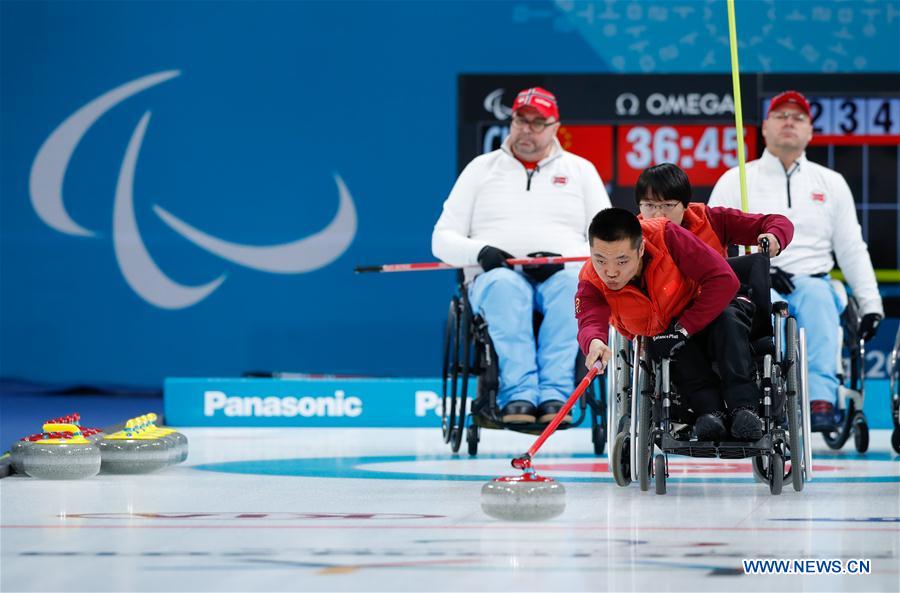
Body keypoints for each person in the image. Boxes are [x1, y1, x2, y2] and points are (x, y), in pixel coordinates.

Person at [432, 87, 612, 424]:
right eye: (520, 120)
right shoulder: (481, 169)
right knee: (504, 286)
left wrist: (563, 258)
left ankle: (557, 395)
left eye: (537, 123)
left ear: (555, 126)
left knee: (572, 287)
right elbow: (440, 240)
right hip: (495, 276)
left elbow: (609, 238)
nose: (526, 129)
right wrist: (480, 251)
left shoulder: (581, 170)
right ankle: (518, 394)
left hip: (562, 275)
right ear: (511, 121)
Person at [708, 90, 884, 432]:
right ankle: (765, 397)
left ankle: (821, 398)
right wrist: (762, 274)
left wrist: (871, 304)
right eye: (781, 116)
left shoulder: (831, 183)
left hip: (813, 280)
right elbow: (711, 246)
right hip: (753, 282)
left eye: (799, 118)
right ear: (764, 128)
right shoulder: (737, 178)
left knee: (819, 298)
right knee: (764, 309)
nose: (790, 122)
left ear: (810, 132)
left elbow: (851, 247)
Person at [576, 208, 764, 441]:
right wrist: (594, 342)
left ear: (641, 248)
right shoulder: (590, 278)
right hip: (662, 330)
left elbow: (724, 279)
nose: (610, 272)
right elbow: (589, 318)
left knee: (727, 321)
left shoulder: (667, 236)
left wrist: (685, 327)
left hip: (704, 309)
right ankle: (710, 413)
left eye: (622, 261)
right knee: (665, 342)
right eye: (600, 260)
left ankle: (745, 409)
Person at [634, 163, 793, 259]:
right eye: (649, 205)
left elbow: (777, 222)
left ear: (685, 204)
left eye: (667, 205)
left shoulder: (713, 220)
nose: (658, 214)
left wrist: (774, 237)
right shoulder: (629, 235)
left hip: (716, 307)